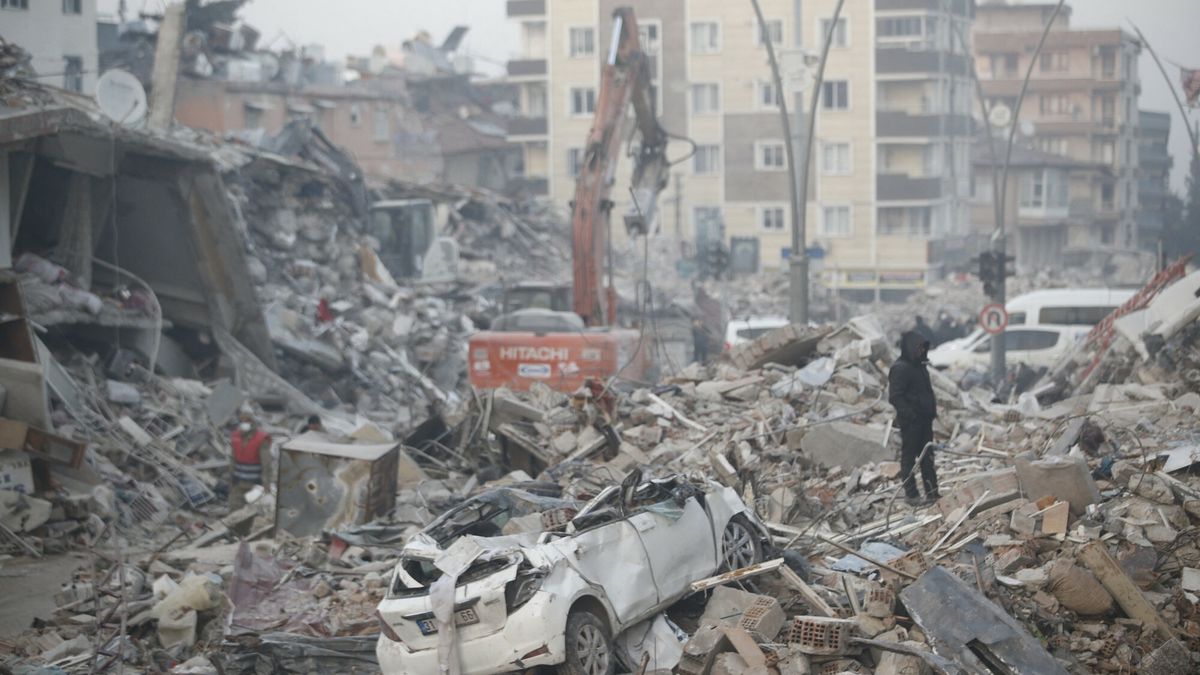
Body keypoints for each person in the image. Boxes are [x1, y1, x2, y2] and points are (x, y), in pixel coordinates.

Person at [888, 331, 939, 504]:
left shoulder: (920, 366)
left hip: (925, 421)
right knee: (909, 458)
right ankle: (912, 494)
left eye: (922, 347)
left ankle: (932, 493)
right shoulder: (900, 368)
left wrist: (931, 412)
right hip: (911, 422)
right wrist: (910, 415)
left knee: (927, 458)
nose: (920, 350)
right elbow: (895, 396)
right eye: (918, 347)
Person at [229, 414, 271, 510]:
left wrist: (266, 483)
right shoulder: (236, 437)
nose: (244, 424)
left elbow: (266, 463)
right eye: (242, 421)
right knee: (234, 509)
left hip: (254, 483)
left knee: (252, 511)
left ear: (252, 423)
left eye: (247, 421)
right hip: (238, 482)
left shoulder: (261, 439)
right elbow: (232, 460)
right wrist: (231, 479)